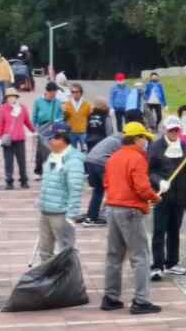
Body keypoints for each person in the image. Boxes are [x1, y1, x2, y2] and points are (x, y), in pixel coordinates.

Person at [102, 122, 163, 315]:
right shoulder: (137, 158)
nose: (146, 142)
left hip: (112, 208)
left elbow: (106, 183)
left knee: (114, 256)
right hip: (130, 211)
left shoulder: (114, 157)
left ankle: (110, 297)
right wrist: (155, 197)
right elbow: (142, 188)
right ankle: (141, 300)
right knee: (140, 257)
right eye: (144, 138)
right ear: (137, 138)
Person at [148, 116, 186, 280]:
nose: (174, 133)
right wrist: (159, 181)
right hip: (162, 197)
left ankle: (171, 263)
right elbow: (149, 171)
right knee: (159, 231)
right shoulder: (156, 147)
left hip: (179, 196)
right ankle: (157, 265)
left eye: (176, 130)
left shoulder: (184, 146)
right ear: (165, 130)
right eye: (171, 130)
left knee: (174, 230)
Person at [36, 124, 85, 262]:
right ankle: (47, 281)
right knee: (45, 251)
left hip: (62, 214)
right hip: (46, 211)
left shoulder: (73, 161)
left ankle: (68, 282)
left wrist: (71, 215)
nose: (50, 141)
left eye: (54, 138)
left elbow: (75, 189)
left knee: (66, 252)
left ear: (63, 139)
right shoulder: (52, 156)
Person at [0, 88, 35, 190]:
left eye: (13, 96)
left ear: (16, 97)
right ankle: (9, 181)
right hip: (7, 140)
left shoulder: (23, 108)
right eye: (9, 97)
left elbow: (27, 122)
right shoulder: (3, 109)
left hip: (20, 139)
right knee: (8, 162)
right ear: (6, 98)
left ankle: (24, 180)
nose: (11, 98)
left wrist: (33, 130)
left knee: (22, 162)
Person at [83, 131, 123, 227]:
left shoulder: (111, 138)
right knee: (112, 189)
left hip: (89, 160)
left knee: (98, 190)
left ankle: (91, 217)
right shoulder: (122, 142)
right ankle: (109, 215)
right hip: (101, 163)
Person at [32, 81, 64, 180]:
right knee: (41, 150)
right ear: (47, 92)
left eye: (55, 93)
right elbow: (34, 116)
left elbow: (61, 115)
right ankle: (38, 171)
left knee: (54, 149)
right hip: (42, 127)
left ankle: (53, 171)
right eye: (52, 93)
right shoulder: (38, 101)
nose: (54, 95)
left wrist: (57, 122)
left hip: (54, 127)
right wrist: (34, 129)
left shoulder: (58, 102)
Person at [62, 82, 92, 151]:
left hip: (83, 132)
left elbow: (90, 117)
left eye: (76, 92)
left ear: (81, 93)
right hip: (71, 132)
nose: (74, 94)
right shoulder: (66, 104)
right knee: (72, 151)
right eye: (72, 92)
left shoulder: (87, 105)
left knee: (85, 151)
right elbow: (63, 118)